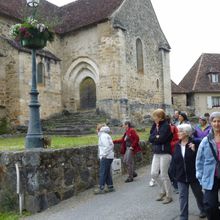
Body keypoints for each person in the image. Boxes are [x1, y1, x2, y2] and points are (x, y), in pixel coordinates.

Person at [172, 124, 206, 220]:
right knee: (183, 198)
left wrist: (194, 150)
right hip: (181, 176)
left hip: (194, 175)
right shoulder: (177, 145)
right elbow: (175, 161)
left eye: (180, 131)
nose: (178, 133)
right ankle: (183, 217)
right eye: (178, 131)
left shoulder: (194, 144)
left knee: (199, 195)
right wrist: (173, 174)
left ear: (186, 133)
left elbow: (201, 159)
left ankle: (203, 210)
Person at [196, 112, 220, 220]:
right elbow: (199, 161)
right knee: (210, 206)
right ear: (210, 123)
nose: (217, 124)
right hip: (210, 177)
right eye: (214, 121)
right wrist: (201, 179)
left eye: (219, 121)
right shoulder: (205, 141)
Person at [149, 108, 173, 204]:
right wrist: (156, 136)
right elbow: (150, 138)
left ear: (159, 117)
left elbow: (162, 139)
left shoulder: (166, 126)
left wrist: (157, 137)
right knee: (154, 174)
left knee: (163, 174)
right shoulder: (155, 125)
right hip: (156, 152)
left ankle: (168, 195)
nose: (153, 118)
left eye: (154, 116)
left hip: (165, 153)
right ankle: (162, 190)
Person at [94, 123, 115, 194]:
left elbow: (107, 146)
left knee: (102, 172)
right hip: (109, 156)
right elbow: (111, 145)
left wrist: (103, 155)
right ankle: (110, 186)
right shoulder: (106, 135)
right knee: (107, 172)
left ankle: (101, 187)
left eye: (96, 129)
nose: (96, 131)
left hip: (106, 156)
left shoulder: (102, 136)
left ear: (99, 130)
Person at [167, 115, 179, 193]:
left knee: (172, 169)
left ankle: (176, 186)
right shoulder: (161, 128)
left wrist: (171, 144)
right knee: (168, 170)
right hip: (166, 151)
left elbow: (177, 138)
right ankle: (173, 183)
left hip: (173, 150)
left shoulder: (173, 127)